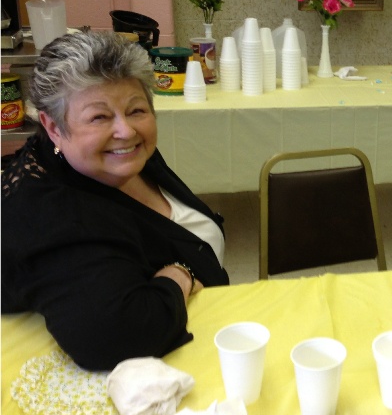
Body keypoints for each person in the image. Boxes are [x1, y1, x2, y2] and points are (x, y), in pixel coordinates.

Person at [1, 31, 229, 371]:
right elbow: (115, 338)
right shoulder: (53, 213)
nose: (126, 130)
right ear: (52, 127)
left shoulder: (119, 157)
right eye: (99, 117)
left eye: (136, 109)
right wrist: (179, 276)